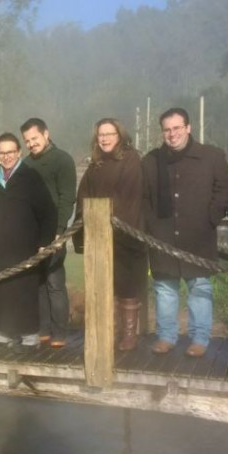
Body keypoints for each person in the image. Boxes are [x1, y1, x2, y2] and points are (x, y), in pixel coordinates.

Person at [141, 108, 228, 357]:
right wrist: (151, 226)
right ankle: (166, 337)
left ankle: (199, 339)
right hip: (162, 238)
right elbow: (144, 197)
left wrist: (211, 218)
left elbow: (224, 190)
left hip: (199, 236)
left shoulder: (211, 156)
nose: (172, 134)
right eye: (167, 130)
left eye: (177, 128)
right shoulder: (151, 161)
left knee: (200, 287)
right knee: (164, 290)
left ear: (188, 127)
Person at [73, 118, 146, 351]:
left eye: (109, 134)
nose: (104, 138)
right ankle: (108, 332)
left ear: (119, 135)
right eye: (101, 135)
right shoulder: (96, 165)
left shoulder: (131, 160)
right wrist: (84, 224)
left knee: (126, 286)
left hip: (126, 234)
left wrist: (111, 219)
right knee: (104, 286)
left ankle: (128, 335)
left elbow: (130, 195)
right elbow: (83, 195)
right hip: (98, 236)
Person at [0, 133, 57, 351]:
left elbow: (48, 212)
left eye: (11, 152)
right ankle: (4, 334)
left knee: (23, 293)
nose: (6, 157)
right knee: (0, 291)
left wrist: (44, 242)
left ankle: (30, 336)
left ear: (19, 152)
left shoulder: (30, 177)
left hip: (23, 248)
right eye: (2, 153)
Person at [20, 118, 75, 348]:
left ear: (46, 134)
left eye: (35, 138)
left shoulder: (62, 160)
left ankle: (59, 332)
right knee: (38, 283)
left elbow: (67, 198)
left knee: (54, 282)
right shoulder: (25, 164)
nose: (31, 144)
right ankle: (43, 329)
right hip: (31, 233)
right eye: (27, 141)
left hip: (53, 232)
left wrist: (59, 232)